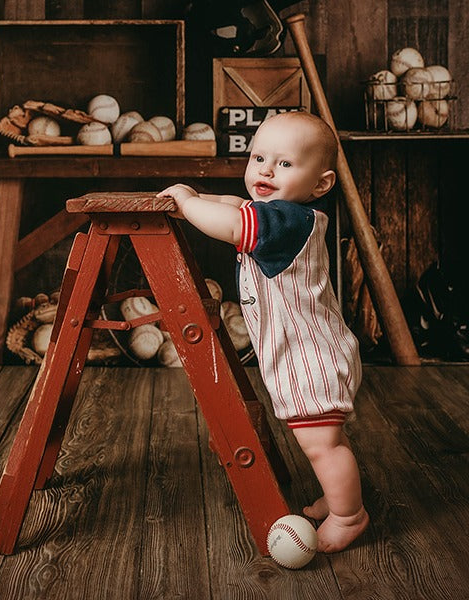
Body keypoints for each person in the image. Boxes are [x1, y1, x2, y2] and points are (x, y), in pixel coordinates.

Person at [157, 110, 369, 553]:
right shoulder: (283, 214)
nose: (266, 170)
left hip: (309, 357)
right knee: (326, 439)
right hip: (311, 350)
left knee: (322, 447)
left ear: (321, 184)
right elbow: (237, 207)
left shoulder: (286, 224)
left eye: (285, 164)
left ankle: (350, 516)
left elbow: (235, 224)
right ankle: (337, 499)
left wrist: (185, 202)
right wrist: (201, 195)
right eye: (258, 158)